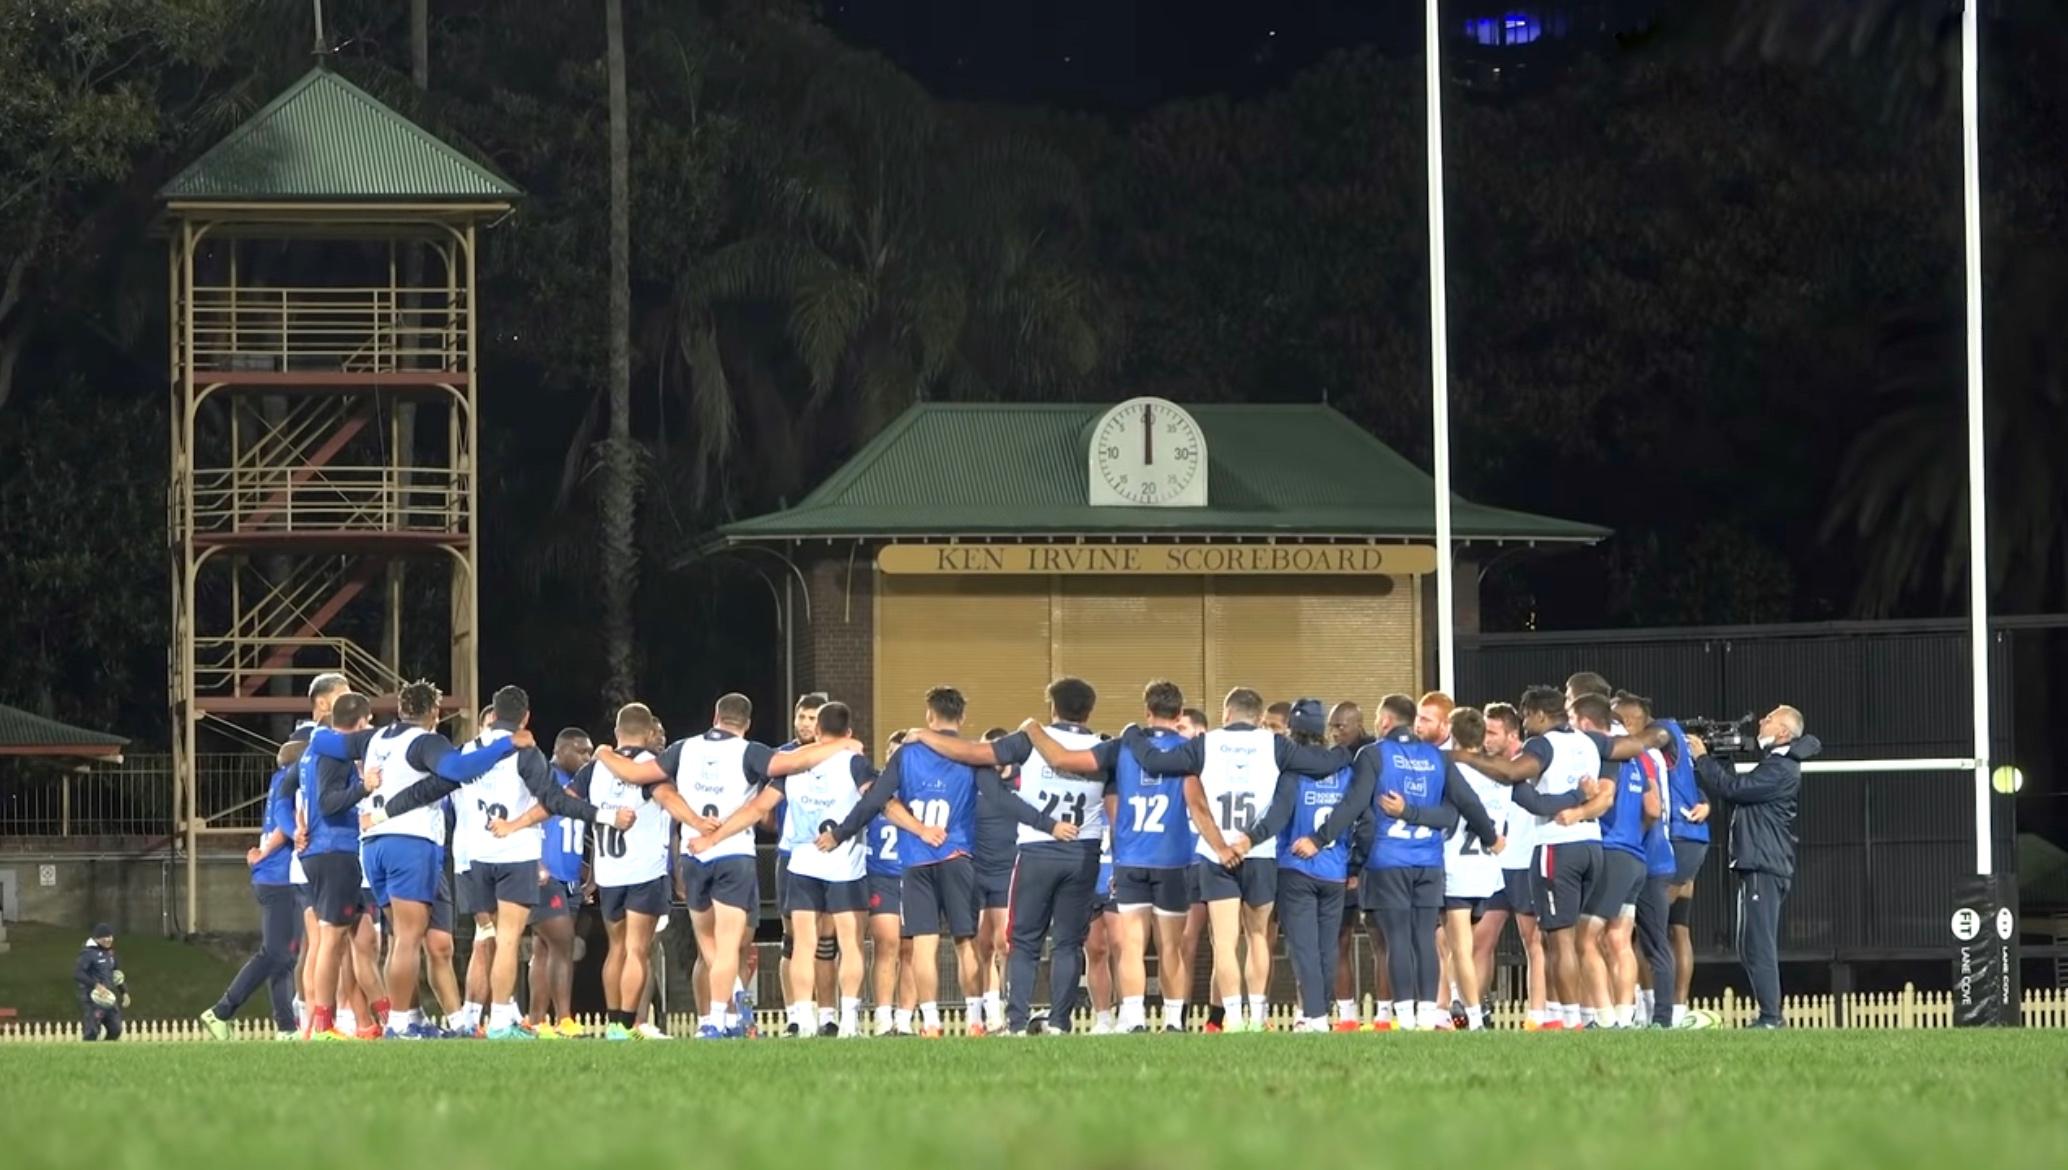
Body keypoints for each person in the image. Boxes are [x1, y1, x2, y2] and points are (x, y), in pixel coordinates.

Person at [366, 685, 614, 1039]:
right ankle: (499, 1020)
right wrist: (602, 815)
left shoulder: (466, 751)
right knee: (508, 940)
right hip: (514, 853)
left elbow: (429, 790)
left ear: (493, 715)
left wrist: (382, 813)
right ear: (525, 717)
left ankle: (467, 1016)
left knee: (486, 938)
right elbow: (554, 800)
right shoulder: (524, 751)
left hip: (475, 859)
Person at [1124, 687, 1349, 1033]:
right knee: (1258, 936)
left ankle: (1233, 1017)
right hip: (1258, 852)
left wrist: (1132, 735)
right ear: (1259, 718)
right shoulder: (1275, 745)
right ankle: (1257, 1018)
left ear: (1226, 714)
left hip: (1218, 852)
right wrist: (1354, 745)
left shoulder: (1205, 744)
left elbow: (1154, 762)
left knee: (1225, 941)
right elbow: (1327, 764)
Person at [902, 678, 1099, 1035]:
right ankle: (1059, 1023)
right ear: (1089, 711)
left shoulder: (1031, 740)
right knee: (1069, 942)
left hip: (1038, 849)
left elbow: (976, 755)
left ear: (1052, 708)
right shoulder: (1104, 748)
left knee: (1024, 941)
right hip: (1083, 850)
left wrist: (926, 735)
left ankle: (1018, 1022)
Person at [1303, 694, 1499, 1031]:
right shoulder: (1438, 758)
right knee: (1423, 938)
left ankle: (1405, 1017)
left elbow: (1352, 805)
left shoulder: (1374, 754)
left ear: (1386, 721)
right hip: (1428, 863)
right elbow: (1466, 804)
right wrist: (1491, 836)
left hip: (1387, 861)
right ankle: (1427, 1015)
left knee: (1396, 941)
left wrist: (1319, 839)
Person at [339, 678, 516, 1039]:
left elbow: (332, 743)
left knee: (413, 939)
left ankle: (414, 1017)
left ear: (401, 708)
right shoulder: (426, 741)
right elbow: (457, 771)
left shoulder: (375, 739)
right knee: (407, 938)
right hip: (410, 840)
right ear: (434, 712)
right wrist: (505, 747)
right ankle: (401, 1024)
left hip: (374, 844)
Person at [1452, 685, 1633, 1029]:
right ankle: (1594, 1016)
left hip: (1556, 846)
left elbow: (1511, 774)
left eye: (1526, 716)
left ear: (1539, 714)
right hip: (1592, 844)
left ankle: (1570, 1020)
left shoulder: (1542, 743)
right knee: (1581, 939)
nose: (1524, 723)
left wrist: (1465, 757)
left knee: (1558, 939)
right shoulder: (1587, 740)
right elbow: (1629, 749)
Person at [597, 693, 774, 1039]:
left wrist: (603, 752)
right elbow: (784, 774)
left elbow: (633, 775)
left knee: (702, 943)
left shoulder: (684, 748)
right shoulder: (751, 752)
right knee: (725, 945)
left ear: (715, 716)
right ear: (747, 724)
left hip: (686, 858)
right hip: (730, 855)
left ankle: (624, 1024)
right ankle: (717, 1018)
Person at [690, 702, 872, 1036]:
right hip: (844, 863)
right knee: (849, 944)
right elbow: (875, 801)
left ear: (816, 732)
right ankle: (847, 1021)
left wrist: (713, 836)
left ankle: (802, 1019)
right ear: (848, 734)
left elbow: (756, 808)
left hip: (802, 864)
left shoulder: (793, 767)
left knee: (802, 944)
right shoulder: (854, 762)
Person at [1691, 705, 1816, 1029]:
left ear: (1784, 733)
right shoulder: (1775, 764)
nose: (1762, 721)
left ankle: (1771, 1018)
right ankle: (1769, 1015)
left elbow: (1735, 791)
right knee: (1748, 945)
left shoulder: (1781, 768)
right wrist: (1722, 757)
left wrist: (1703, 759)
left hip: (1764, 864)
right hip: (1757, 863)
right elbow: (1737, 788)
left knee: (1759, 944)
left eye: (1770, 719)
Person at [564, 703, 675, 1041]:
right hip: (644, 870)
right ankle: (628, 1024)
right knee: (638, 949)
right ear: (650, 733)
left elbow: (565, 799)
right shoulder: (653, 766)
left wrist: (599, 815)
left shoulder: (595, 768)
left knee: (616, 948)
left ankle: (614, 1024)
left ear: (616, 732)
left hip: (610, 873)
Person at [1244, 699, 1354, 1032]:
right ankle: (1319, 1013)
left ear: (1292, 729)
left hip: (1296, 867)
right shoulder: (1344, 768)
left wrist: (1249, 839)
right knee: (1327, 948)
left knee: (1304, 948)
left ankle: (1316, 1017)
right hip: (1335, 869)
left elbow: (1278, 816)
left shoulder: (1290, 771)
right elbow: (1357, 816)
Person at [202, 740, 306, 1041]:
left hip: (271, 876)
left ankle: (287, 1028)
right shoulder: (295, 781)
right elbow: (286, 827)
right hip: (280, 877)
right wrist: (266, 852)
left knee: (284, 956)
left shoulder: (278, 781)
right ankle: (221, 1011)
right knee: (275, 953)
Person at [1469, 702, 1551, 1029]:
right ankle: (1475, 1014)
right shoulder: (1489, 768)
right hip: (1494, 865)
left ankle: (1537, 1016)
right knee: (1480, 940)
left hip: (1524, 862)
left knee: (1534, 941)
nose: (1485, 739)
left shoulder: (1528, 766)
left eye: (1492, 732)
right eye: (1483, 732)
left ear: (1512, 735)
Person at [1439, 707, 1508, 1030]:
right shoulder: (1499, 774)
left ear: (1452, 735)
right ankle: (1451, 1004)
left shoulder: (1450, 770)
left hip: (1455, 868)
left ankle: (1473, 1017)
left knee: (1460, 948)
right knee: (1459, 947)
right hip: (1487, 873)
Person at [528, 729, 592, 1038]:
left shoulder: (577, 785)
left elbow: (571, 835)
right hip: (546, 877)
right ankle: (564, 1019)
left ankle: (537, 1021)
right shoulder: (544, 777)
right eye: (581, 752)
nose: (586, 758)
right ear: (561, 749)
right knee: (562, 945)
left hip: (569, 880)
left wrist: (586, 874)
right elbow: (528, 820)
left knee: (545, 950)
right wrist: (536, 863)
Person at [1324, 700, 1377, 1029]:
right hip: (1342, 864)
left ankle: (1389, 1013)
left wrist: (1357, 867)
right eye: (1331, 727)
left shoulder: (1372, 756)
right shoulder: (1336, 761)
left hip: (1372, 864)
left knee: (1381, 940)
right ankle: (1346, 1015)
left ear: (1358, 724)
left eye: (1340, 726)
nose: (1334, 733)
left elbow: (1367, 819)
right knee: (1339, 939)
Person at [972, 726, 1019, 1033]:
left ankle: (1005, 1005)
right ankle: (986, 1011)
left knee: (1004, 943)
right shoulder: (974, 782)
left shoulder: (1021, 783)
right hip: (975, 869)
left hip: (1007, 869)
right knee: (980, 944)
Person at [76, 924, 127, 1041]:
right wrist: (96, 985)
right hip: (92, 999)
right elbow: (78, 973)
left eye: (110, 936)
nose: (109, 939)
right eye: (105, 937)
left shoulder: (111, 954)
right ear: (97, 938)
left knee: (116, 1029)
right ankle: (87, 1055)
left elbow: (116, 974)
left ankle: (106, 1052)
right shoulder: (88, 953)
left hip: (108, 998)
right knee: (92, 1032)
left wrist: (124, 992)